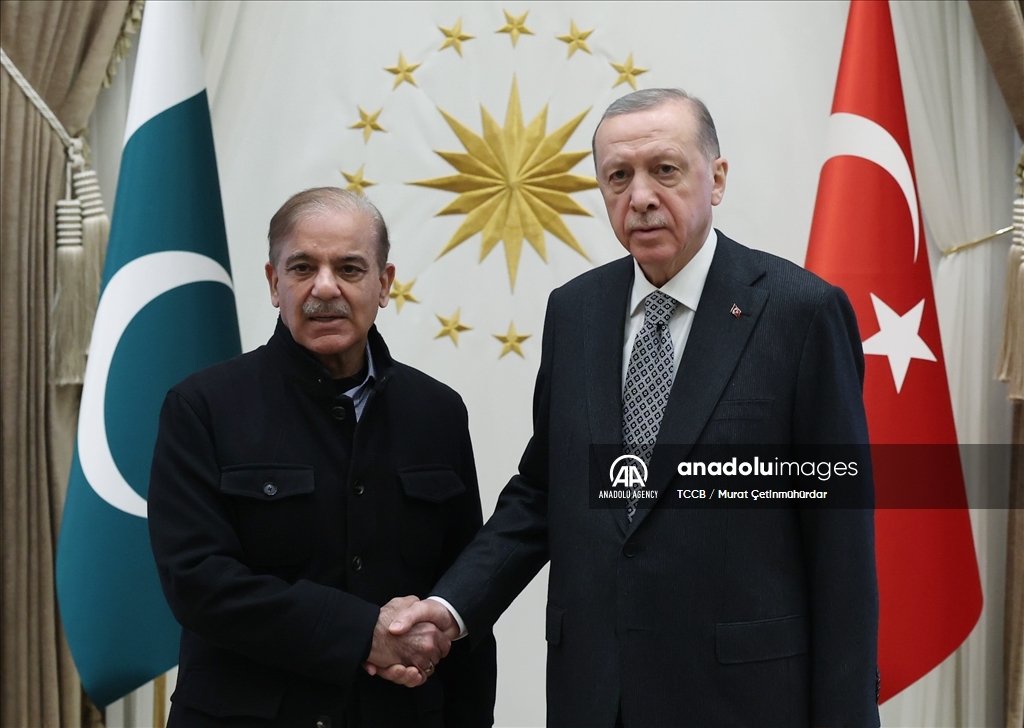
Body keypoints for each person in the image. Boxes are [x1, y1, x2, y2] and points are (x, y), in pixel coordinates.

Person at [385, 89, 880, 727]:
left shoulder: (801, 313)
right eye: (618, 177)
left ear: (716, 179)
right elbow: (544, 491)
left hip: (743, 699)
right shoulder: (575, 312)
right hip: (596, 697)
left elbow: (841, 545)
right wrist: (452, 607)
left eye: (664, 170)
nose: (640, 196)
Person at [147, 187, 496, 727]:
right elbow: (199, 583)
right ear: (274, 283)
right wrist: (363, 635)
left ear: (384, 284)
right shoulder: (202, 407)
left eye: (350, 269)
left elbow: (463, 591)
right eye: (303, 268)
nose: (325, 288)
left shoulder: (438, 413)